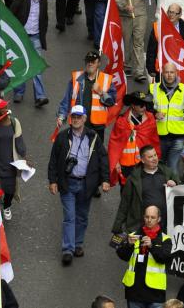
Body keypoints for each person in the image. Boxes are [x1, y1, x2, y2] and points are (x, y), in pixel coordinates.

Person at [48, 104, 110, 265]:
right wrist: (52, 181)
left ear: (84, 119)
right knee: (69, 216)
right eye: (73, 117)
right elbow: (53, 160)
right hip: (67, 183)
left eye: (78, 117)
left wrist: (105, 180)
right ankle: (68, 250)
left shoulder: (93, 137)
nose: (75, 120)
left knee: (82, 216)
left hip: (86, 184)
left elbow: (103, 158)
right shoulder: (62, 137)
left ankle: (78, 244)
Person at [112, 144, 176, 237]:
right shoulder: (133, 179)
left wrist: (175, 183)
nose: (154, 159)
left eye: (155, 155)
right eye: (150, 157)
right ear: (142, 160)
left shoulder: (167, 172)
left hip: (164, 225)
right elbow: (125, 203)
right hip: (140, 226)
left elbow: (181, 190)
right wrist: (117, 227)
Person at [116, 205, 172, 307]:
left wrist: (152, 246)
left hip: (155, 293)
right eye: (147, 217)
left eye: (153, 217)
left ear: (159, 219)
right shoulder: (133, 235)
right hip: (134, 292)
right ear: (143, 217)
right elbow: (123, 256)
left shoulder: (165, 239)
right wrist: (129, 245)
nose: (149, 220)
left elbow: (164, 258)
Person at [57, 50, 116, 140]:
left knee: (95, 149)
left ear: (99, 63)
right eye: (88, 61)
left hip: (97, 127)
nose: (90, 64)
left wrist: (101, 92)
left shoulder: (106, 80)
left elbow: (111, 102)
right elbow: (67, 99)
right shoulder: (76, 78)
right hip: (77, 123)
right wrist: (61, 116)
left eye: (93, 61)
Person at [8, 0, 49, 107]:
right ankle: (19, 92)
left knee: (37, 66)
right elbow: (10, 16)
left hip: (35, 37)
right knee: (20, 64)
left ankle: (40, 97)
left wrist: (42, 35)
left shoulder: (43, 1)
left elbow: (44, 19)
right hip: (21, 37)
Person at [114, 0, 150, 84]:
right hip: (125, 15)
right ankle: (126, 65)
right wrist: (124, 6)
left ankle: (139, 71)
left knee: (139, 42)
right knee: (126, 41)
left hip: (140, 13)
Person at [108, 92, 161, 187]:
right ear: (133, 105)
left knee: (143, 191)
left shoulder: (150, 120)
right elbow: (115, 144)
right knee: (126, 191)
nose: (144, 108)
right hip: (125, 165)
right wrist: (116, 162)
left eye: (145, 105)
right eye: (141, 105)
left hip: (143, 163)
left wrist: (154, 159)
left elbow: (154, 142)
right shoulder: (122, 121)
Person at [149, 63, 184, 172]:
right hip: (159, 135)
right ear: (162, 73)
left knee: (173, 167)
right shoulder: (153, 88)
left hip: (178, 136)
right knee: (158, 165)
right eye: (166, 72)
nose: (169, 75)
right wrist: (155, 113)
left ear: (176, 73)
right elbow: (146, 108)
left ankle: (173, 183)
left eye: (172, 72)